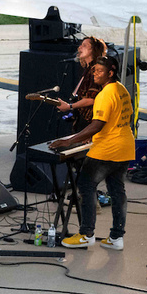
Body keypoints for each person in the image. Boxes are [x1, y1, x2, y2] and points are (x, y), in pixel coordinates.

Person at [52, 58, 132, 251]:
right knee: (117, 191)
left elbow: (97, 124)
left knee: (86, 186)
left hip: (107, 149)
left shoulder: (105, 94)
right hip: (125, 147)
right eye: (94, 70)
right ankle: (116, 238)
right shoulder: (122, 89)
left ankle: (87, 234)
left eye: (99, 71)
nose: (94, 74)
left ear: (110, 73)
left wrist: (69, 141)